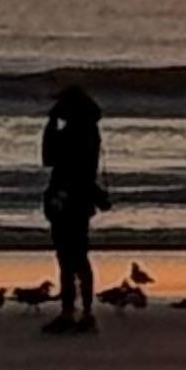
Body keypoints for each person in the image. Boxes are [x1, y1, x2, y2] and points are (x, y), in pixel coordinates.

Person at [41, 84, 108, 335]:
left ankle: (75, 313)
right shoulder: (88, 130)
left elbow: (49, 158)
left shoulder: (76, 132)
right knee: (75, 258)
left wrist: (51, 123)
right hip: (77, 199)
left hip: (68, 199)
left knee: (71, 258)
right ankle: (79, 312)